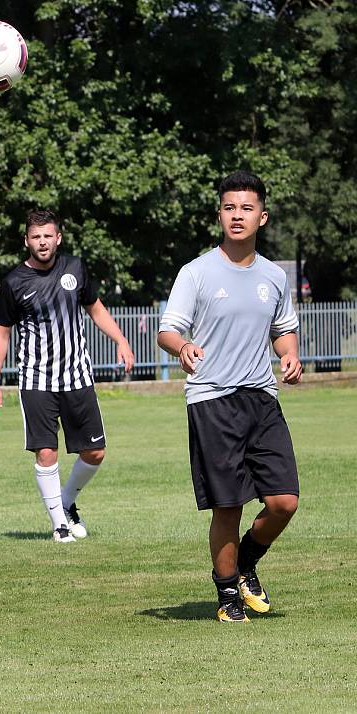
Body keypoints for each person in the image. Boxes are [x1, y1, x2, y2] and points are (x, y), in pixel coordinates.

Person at [157, 170, 302, 623]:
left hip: (261, 397)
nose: (237, 215)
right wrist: (182, 346)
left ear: (263, 216)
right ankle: (227, 596)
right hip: (212, 399)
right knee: (230, 504)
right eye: (229, 207)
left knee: (284, 501)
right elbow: (167, 330)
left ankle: (245, 565)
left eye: (246, 208)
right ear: (219, 214)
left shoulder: (275, 276)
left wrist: (291, 355)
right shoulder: (196, 272)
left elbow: (283, 329)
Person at [0, 210, 134, 543]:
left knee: (95, 453)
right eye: (36, 237)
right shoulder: (13, 282)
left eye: (48, 236)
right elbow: (1, 334)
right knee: (46, 451)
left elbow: (95, 308)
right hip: (37, 380)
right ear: (27, 240)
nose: (42, 242)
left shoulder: (75, 268)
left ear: (58, 238)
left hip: (78, 376)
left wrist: (121, 340)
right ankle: (59, 525)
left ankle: (65, 503)